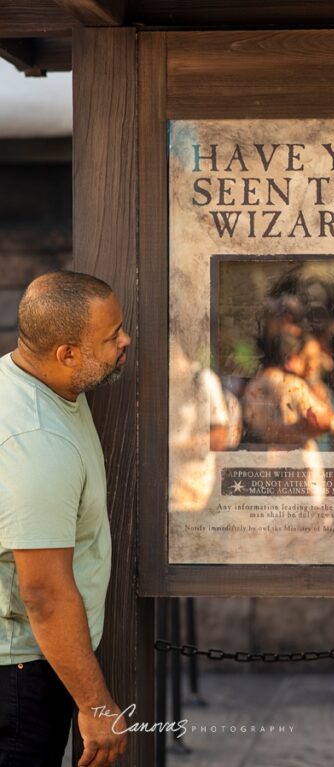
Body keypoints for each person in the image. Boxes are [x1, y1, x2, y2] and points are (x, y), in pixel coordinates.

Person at [0, 271, 132, 766]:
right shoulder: (37, 442)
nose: (125, 340)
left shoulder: (25, 383)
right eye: (111, 337)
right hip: (20, 675)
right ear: (67, 355)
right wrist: (96, 705)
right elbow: (45, 593)